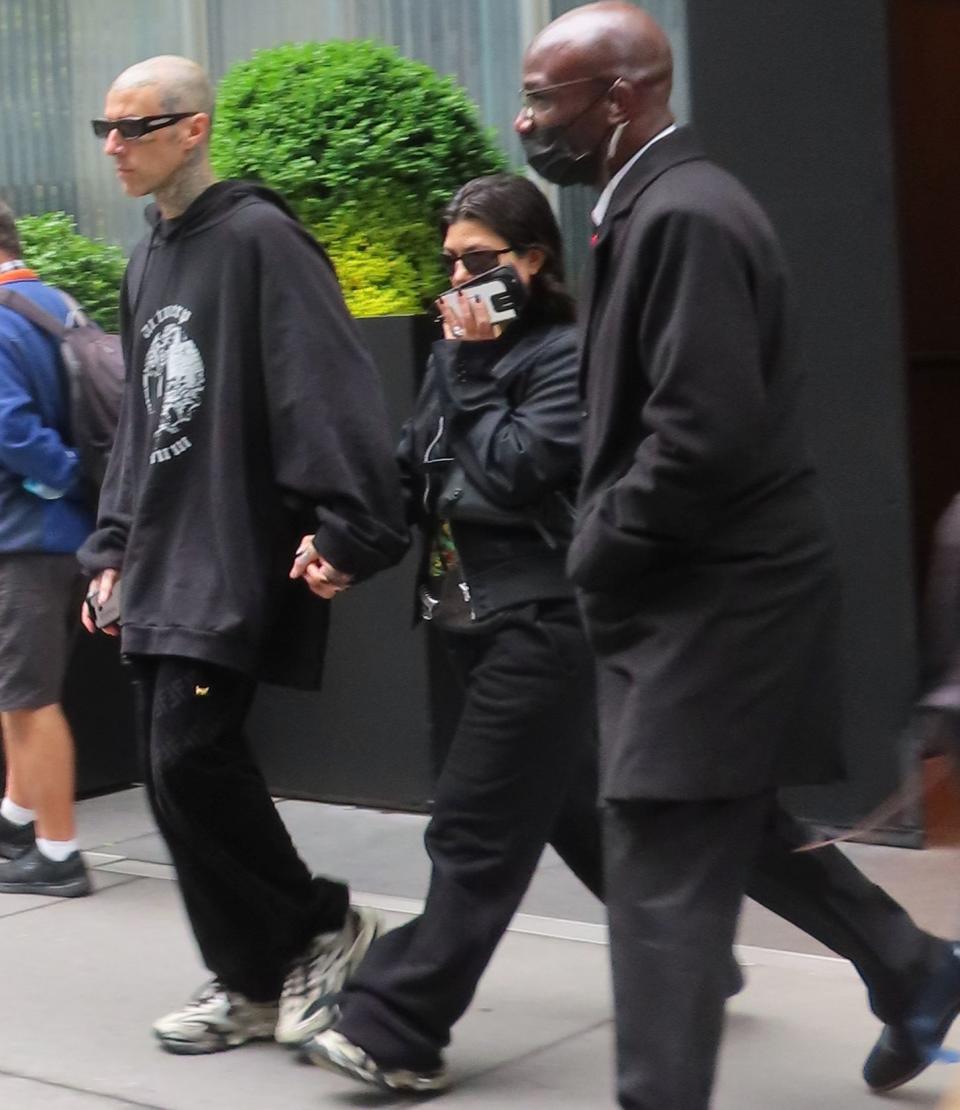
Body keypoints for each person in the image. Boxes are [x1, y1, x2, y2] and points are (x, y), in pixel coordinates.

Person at [516, 4, 960, 1107]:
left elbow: (698, 434)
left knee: (661, 851)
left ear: (621, 99)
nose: (527, 124)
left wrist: (596, 550)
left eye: (544, 100)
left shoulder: (688, 216)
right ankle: (915, 970)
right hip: (693, 600)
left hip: (713, 607)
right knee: (725, 820)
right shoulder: (652, 206)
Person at [79, 56, 408, 1055]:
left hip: (235, 550)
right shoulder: (147, 259)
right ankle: (250, 977)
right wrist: (113, 544)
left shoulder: (263, 239)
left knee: (190, 753)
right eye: (105, 126)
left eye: (135, 126)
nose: (112, 146)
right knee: (166, 770)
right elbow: (140, 421)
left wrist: (354, 525)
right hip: (164, 551)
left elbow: (327, 384)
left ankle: (322, 926)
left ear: (195, 130)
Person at [302, 173, 604, 1092]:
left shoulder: (565, 356)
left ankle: (396, 1023)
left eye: (481, 261)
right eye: (451, 263)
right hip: (470, 625)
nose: (460, 280)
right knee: (581, 820)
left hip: (541, 623)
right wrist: (346, 549)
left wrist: (472, 373)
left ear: (532, 261)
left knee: (472, 831)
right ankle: (694, 951)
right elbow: (412, 477)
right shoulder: (448, 360)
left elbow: (518, 470)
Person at [0, 200, 94, 898]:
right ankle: (15, 818)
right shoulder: (56, 302)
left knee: (31, 699)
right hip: (70, 537)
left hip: (26, 537)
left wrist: (63, 478)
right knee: (21, 690)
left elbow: (13, 430)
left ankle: (59, 855)